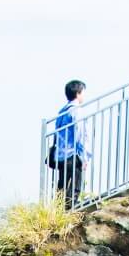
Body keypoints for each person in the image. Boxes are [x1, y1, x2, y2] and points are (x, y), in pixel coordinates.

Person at [50, 79, 90, 209]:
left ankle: (59, 214)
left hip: (61, 155)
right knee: (74, 187)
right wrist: (84, 156)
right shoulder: (76, 110)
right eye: (83, 92)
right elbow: (80, 134)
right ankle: (70, 214)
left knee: (62, 187)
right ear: (78, 93)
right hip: (72, 154)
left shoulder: (62, 111)